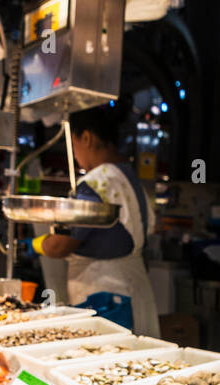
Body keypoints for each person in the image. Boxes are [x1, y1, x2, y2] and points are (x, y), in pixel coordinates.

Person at [22, 106, 159, 337]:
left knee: (106, 359)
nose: (75, 155)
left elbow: (60, 245)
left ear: (87, 138)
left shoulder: (94, 184)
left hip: (104, 295)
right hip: (136, 289)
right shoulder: (131, 179)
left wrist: (33, 245)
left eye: (74, 145)